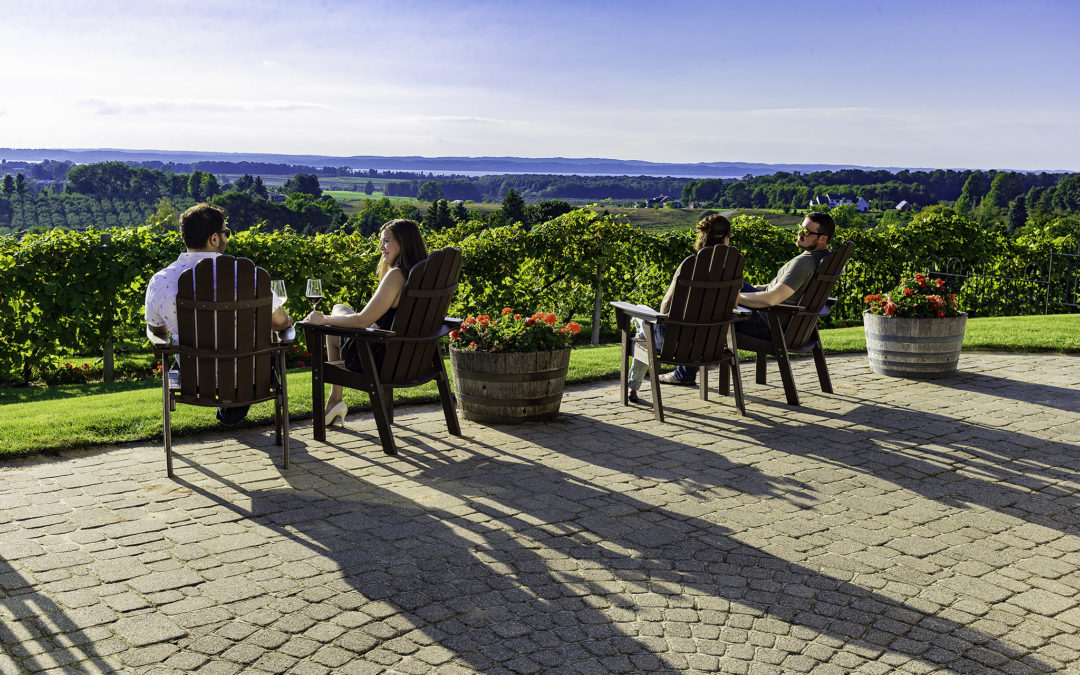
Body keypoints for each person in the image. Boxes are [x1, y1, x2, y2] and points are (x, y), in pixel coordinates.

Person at [144, 203, 295, 426]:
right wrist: (288, 324)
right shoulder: (249, 277)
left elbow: (157, 331)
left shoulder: (162, 281)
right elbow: (280, 324)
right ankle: (231, 410)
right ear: (214, 239)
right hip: (249, 379)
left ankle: (228, 410)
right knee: (263, 350)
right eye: (226, 232)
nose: (227, 237)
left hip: (194, 380)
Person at [660, 211, 835, 387]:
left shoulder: (803, 264)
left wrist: (731, 297)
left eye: (806, 232)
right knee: (720, 282)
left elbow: (770, 300)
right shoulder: (824, 260)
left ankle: (684, 372)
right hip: (785, 321)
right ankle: (684, 373)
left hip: (768, 322)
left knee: (708, 309)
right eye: (800, 228)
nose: (799, 233)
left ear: (822, 239)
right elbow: (785, 290)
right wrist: (762, 287)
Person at [302, 218, 429, 426]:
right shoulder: (425, 275)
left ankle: (335, 399)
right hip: (414, 359)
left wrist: (321, 319)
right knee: (340, 309)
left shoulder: (397, 276)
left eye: (386, 241)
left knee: (333, 323)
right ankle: (334, 401)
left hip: (376, 359)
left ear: (404, 243)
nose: (381, 247)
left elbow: (362, 321)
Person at [627, 214, 731, 402]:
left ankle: (632, 389)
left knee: (641, 316)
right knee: (645, 335)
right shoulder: (731, 268)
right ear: (726, 238)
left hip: (672, 344)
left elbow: (666, 306)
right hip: (711, 343)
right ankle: (633, 388)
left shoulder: (689, 264)